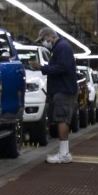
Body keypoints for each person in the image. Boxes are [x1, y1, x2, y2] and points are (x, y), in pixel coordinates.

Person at [31, 27, 78, 163]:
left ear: (49, 36)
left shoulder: (62, 47)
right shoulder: (58, 48)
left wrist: (42, 67)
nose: (43, 43)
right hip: (62, 89)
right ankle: (64, 152)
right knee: (60, 119)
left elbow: (62, 67)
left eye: (42, 40)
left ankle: (64, 154)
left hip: (64, 90)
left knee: (62, 119)